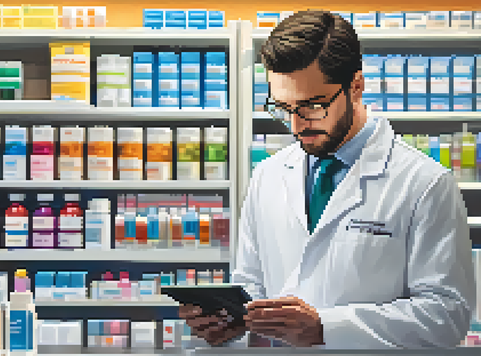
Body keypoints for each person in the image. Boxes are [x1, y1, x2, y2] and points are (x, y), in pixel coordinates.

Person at [179, 9, 476, 349]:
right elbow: (251, 287)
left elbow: (447, 315)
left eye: (312, 106)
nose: (296, 124)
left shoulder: (425, 184)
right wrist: (230, 325)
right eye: (284, 107)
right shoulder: (267, 175)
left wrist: (326, 327)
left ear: (356, 86)